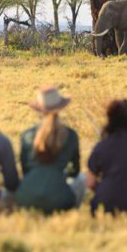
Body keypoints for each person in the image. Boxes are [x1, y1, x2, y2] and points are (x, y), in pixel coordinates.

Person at [15, 86, 86, 214]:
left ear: (39, 110)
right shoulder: (70, 135)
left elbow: (25, 170)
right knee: (82, 179)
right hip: (61, 199)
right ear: (60, 108)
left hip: (27, 197)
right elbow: (75, 171)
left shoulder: (27, 135)